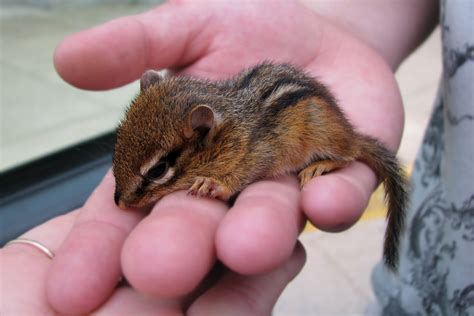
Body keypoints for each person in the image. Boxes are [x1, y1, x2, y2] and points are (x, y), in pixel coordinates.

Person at [2, 0, 472, 315]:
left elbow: (259, 154)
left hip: (309, 125)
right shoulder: (197, 123)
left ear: (203, 131)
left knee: (311, 130)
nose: (133, 198)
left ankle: (340, 154)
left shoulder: (236, 141)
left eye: (159, 172)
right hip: (428, 275)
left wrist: (227, 185)